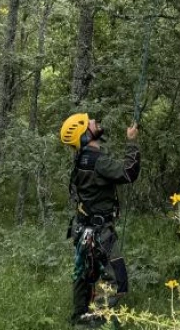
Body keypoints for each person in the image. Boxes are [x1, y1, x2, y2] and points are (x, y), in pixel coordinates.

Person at [60, 113, 141, 325]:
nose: (95, 121)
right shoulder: (96, 161)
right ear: (85, 134)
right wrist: (132, 142)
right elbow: (129, 172)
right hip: (98, 232)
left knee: (84, 276)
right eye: (89, 123)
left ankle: (79, 319)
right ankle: (95, 322)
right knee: (118, 281)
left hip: (84, 229)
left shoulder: (82, 158)